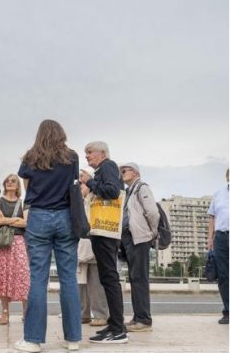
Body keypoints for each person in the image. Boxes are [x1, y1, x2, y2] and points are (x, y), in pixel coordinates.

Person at [15, 119, 81, 353]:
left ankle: (33, 340)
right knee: (69, 279)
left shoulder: (31, 157)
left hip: (39, 216)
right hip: (65, 217)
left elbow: (26, 187)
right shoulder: (71, 157)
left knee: (38, 279)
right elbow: (73, 185)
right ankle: (73, 339)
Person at [79, 141, 128, 344]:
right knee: (107, 279)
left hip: (105, 232)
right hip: (102, 232)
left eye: (90, 152)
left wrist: (89, 182)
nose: (87, 156)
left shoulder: (107, 166)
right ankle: (114, 324)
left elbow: (112, 191)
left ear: (102, 153)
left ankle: (118, 329)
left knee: (109, 278)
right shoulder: (105, 168)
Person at [119, 162, 159, 332]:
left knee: (140, 279)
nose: (121, 174)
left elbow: (152, 212)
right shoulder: (129, 191)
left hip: (140, 238)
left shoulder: (142, 187)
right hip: (129, 238)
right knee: (135, 279)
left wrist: (151, 232)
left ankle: (144, 320)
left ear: (135, 172)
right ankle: (138, 318)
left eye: (124, 171)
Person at [0, 174, 30, 325]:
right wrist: (16, 220)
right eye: (7, 181)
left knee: (22, 275)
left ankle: (26, 311)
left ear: (18, 185)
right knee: (2, 277)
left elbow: (26, 223)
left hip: (18, 242)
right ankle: (4, 312)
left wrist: (7, 221)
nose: (9, 183)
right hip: (1, 243)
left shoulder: (23, 203)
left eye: (13, 181)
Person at [77, 169, 109, 328]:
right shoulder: (78, 202)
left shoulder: (96, 199)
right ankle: (83, 314)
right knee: (80, 283)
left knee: (96, 283)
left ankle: (101, 315)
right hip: (80, 246)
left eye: (83, 184)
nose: (80, 187)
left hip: (95, 243)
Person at [207, 168, 229, 324]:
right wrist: (210, 238)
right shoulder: (218, 194)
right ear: (227, 177)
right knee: (223, 276)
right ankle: (227, 311)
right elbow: (212, 217)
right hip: (221, 237)